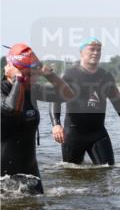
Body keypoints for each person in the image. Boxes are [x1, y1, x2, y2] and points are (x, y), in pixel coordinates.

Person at [51, 38, 120, 166]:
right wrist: (56, 124)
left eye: (99, 50)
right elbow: (55, 100)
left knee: (108, 170)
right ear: (81, 52)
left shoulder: (106, 76)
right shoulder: (69, 75)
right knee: (71, 176)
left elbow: (119, 104)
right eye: (92, 49)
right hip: (73, 135)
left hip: (98, 134)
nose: (96, 53)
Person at [2, 44, 75, 194]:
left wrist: (49, 75)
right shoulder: (2, 90)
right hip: (3, 173)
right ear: (14, 71)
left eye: (35, 73)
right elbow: (11, 109)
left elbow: (68, 95)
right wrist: (19, 79)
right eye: (29, 74)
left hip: (29, 168)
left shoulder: (32, 90)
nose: (34, 78)